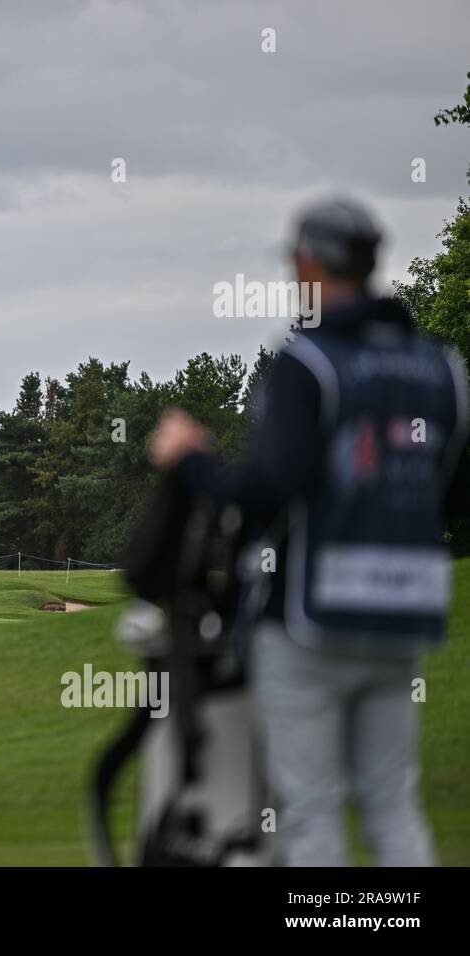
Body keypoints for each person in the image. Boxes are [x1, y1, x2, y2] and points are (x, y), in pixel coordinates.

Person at [148, 196, 468, 866]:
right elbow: (447, 490)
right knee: (390, 803)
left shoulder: (308, 361)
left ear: (311, 263)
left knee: (313, 808)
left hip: (310, 616)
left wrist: (193, 459)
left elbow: (268, 489)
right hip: (404, 613)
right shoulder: (442, 370)